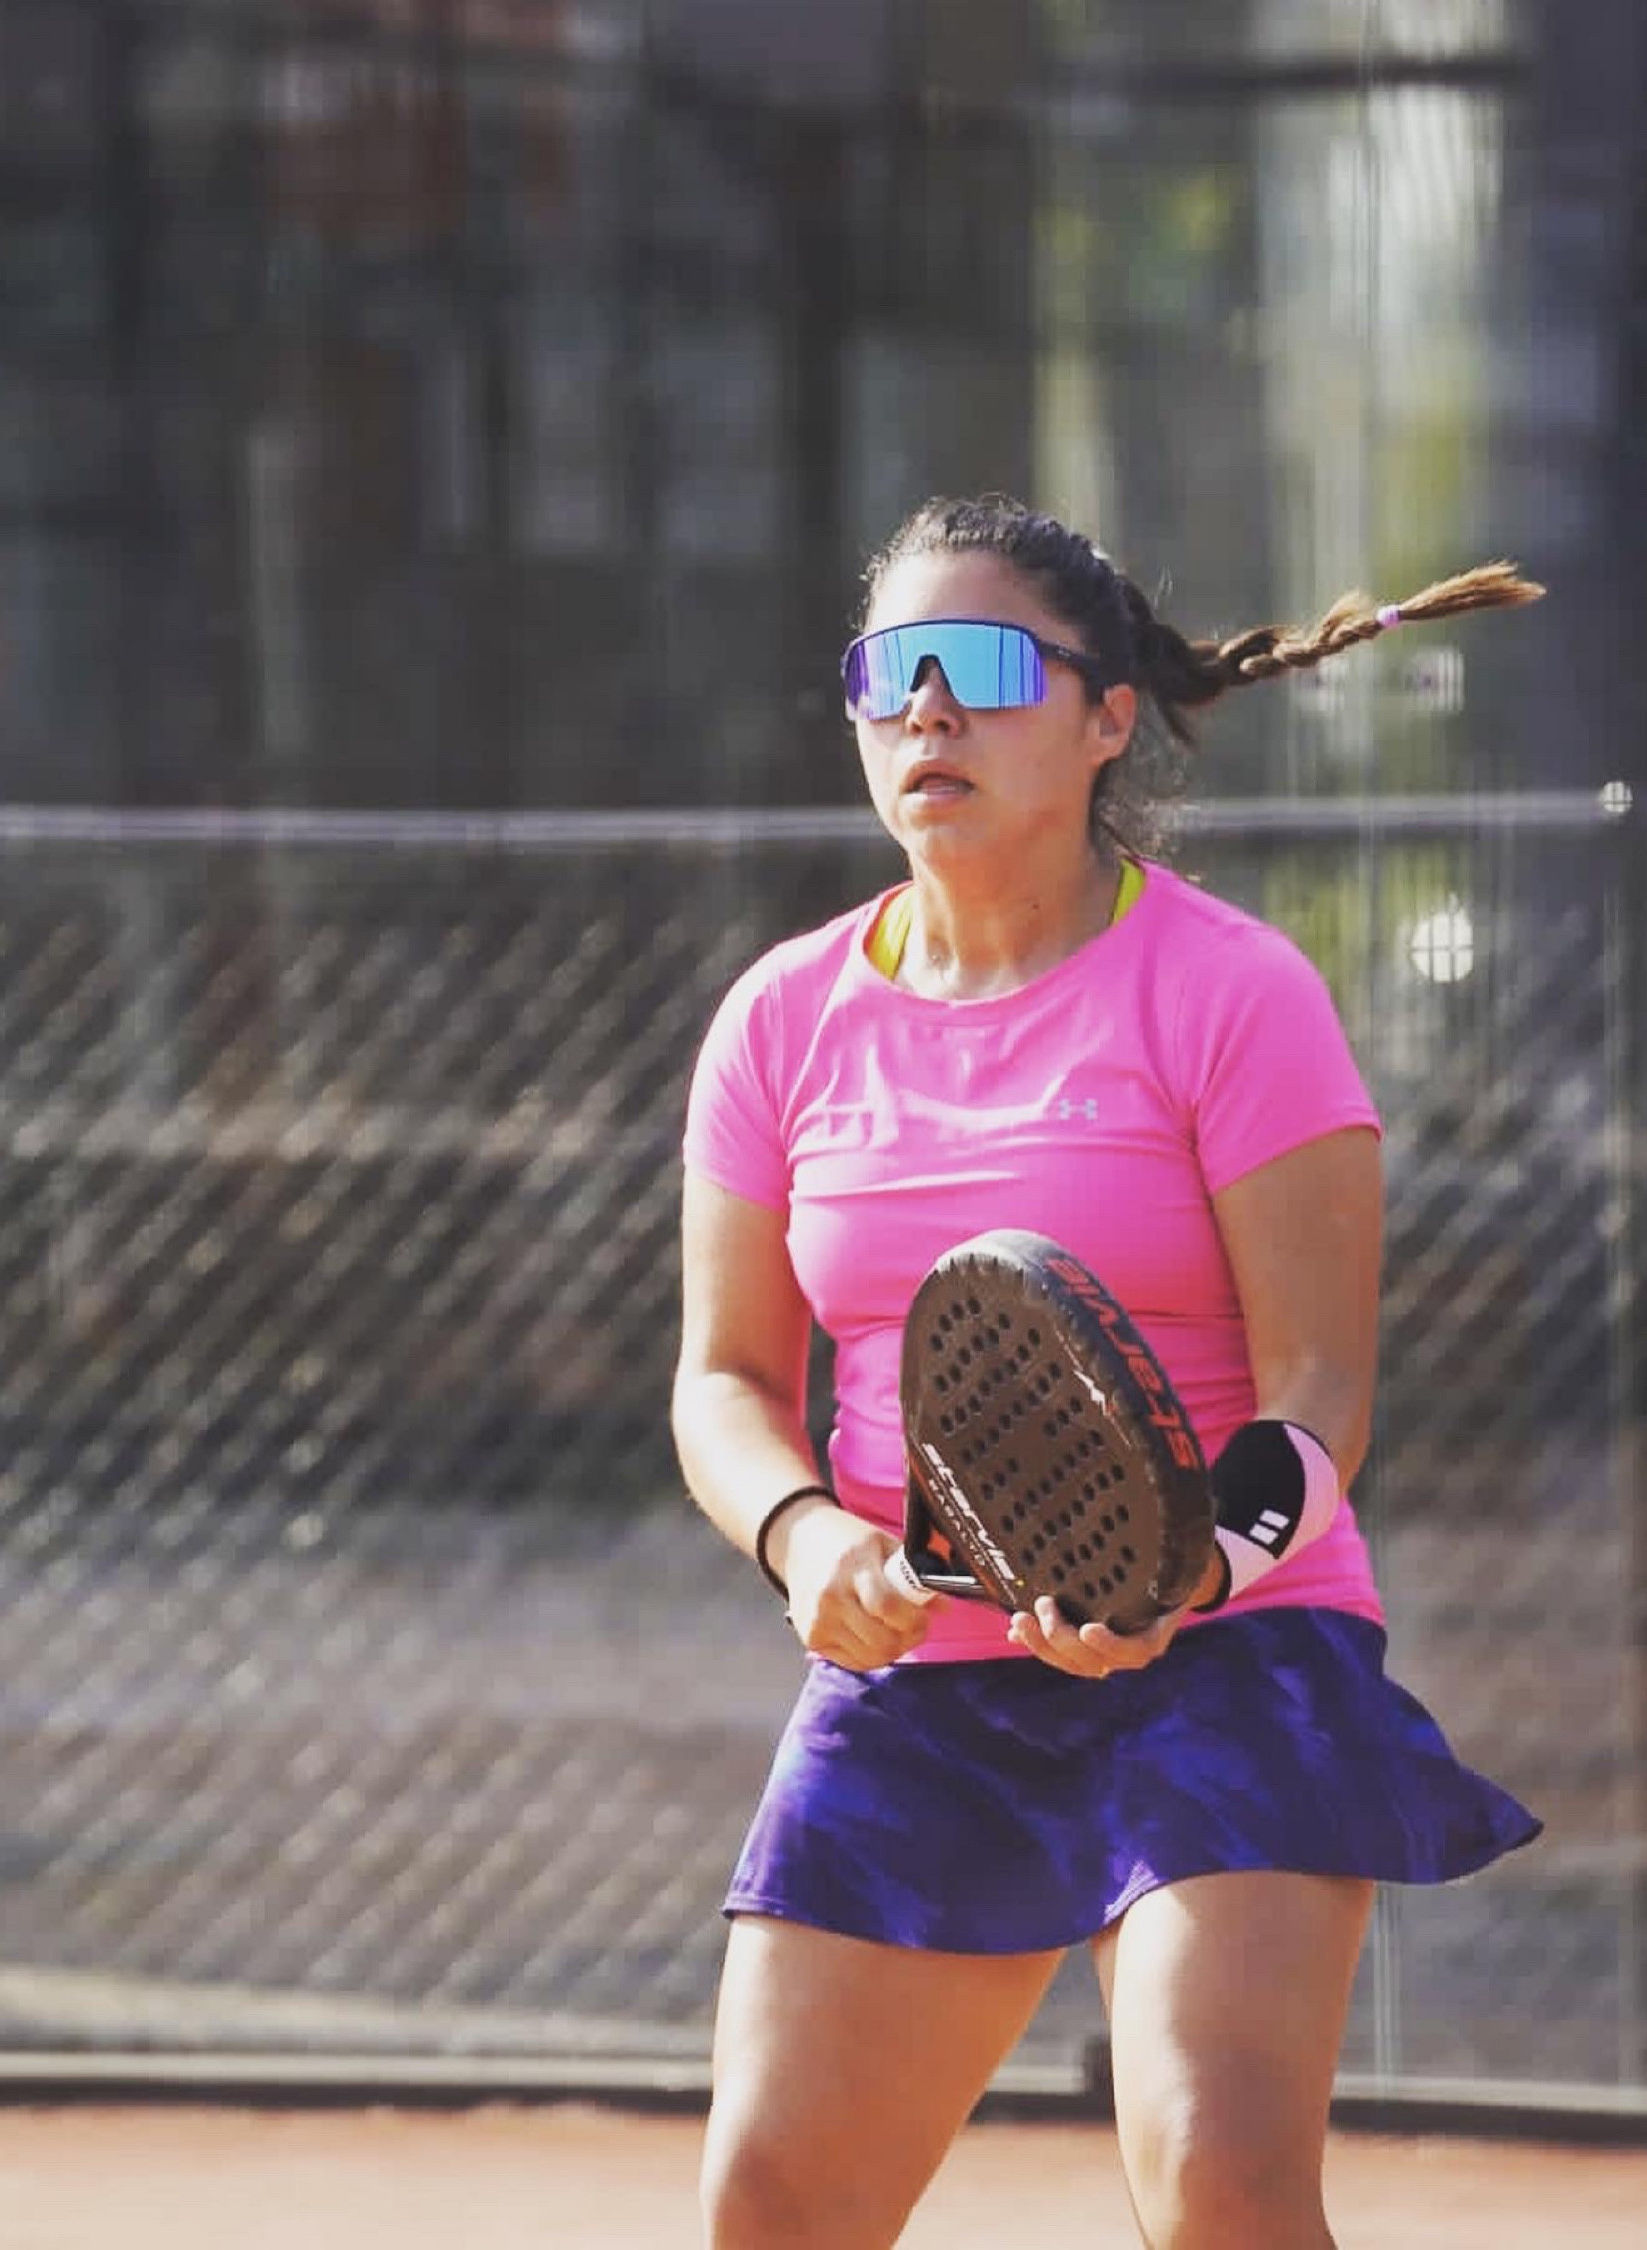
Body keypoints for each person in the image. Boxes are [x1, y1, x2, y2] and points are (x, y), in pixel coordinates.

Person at [672, 494, 1542, 2250]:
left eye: (984, 666)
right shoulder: (780, 1018)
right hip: (924, 1673)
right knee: (771, 2206)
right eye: (889, 672)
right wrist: (803, 1537)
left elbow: (1320, 1389)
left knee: (1219, 2176)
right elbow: (724, 1380)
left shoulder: (1235, 993)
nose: (929, 708)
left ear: (1106, 716)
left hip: (1229, 1648)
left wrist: (1184, 1574)